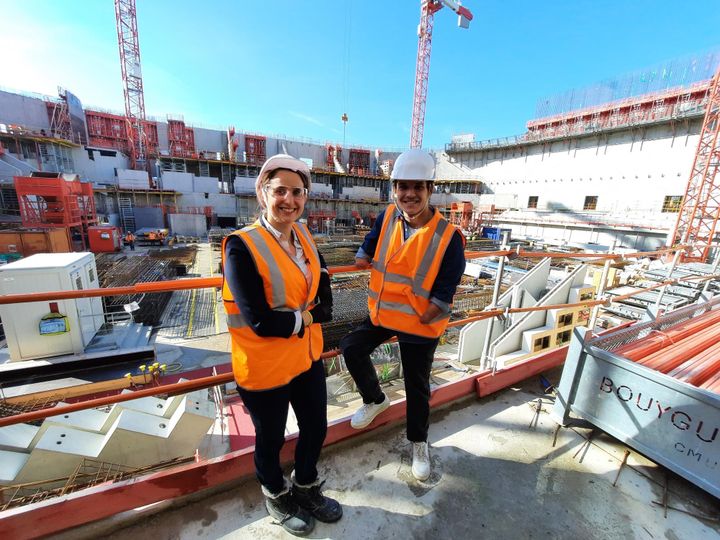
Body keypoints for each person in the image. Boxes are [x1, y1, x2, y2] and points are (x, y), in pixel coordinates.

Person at [222, 154, 342, 536]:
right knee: (271, 438)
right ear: (263, 193)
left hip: (306, 357)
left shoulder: (303, 233)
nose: (289, 200)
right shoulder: (240, 247)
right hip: (265, 365)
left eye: (297, 192)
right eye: (280, 191)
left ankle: (306, 486)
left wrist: (323, 290)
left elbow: (320, 268)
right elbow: (259, 319)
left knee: (315, 427)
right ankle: (275, 492)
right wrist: (309, 316)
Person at [340, 148, 466, 481]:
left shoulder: (448, 237)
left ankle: (419, 443)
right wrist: (363, 254)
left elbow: (446, 288)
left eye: (417, 187)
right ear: (394, 189)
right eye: (402, 187)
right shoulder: (387, 218)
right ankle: (375, 399)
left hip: (420, 322)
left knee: (416, 386)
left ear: (429, 190)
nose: (409, 194)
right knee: (351, 347)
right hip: (383, 313)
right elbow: (371, 241)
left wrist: (430, 314)